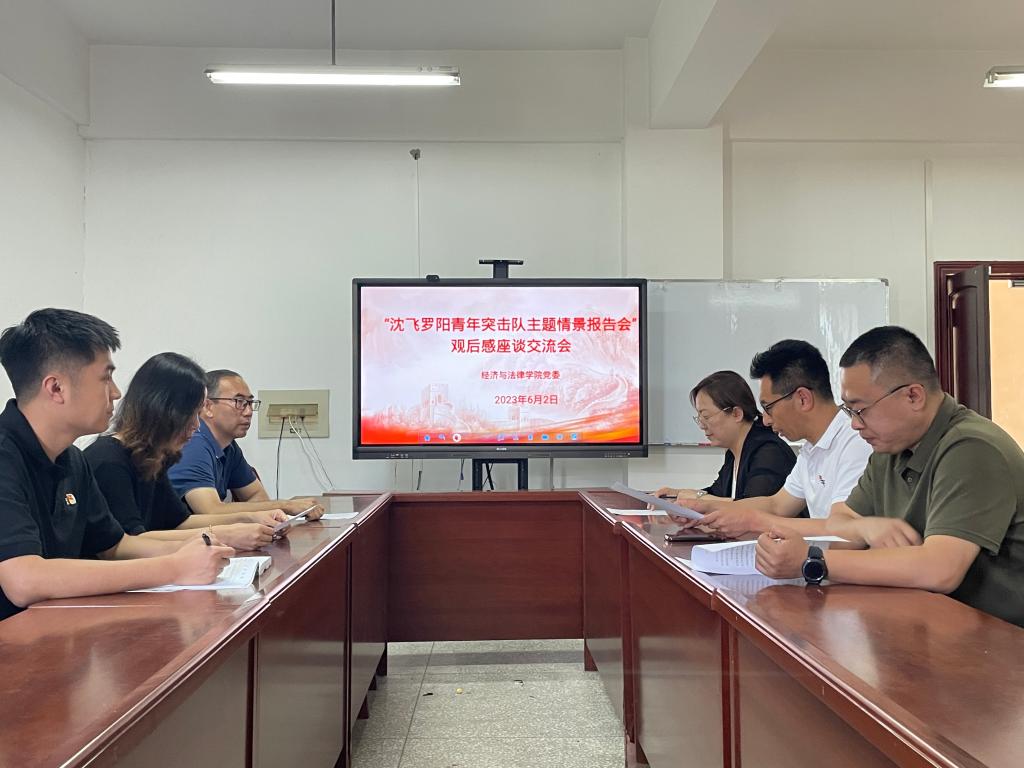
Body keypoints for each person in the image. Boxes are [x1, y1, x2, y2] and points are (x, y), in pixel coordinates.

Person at [756, 326, 1024, 627]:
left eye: (860, 410)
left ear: (913, 396)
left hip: (999, 637)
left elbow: (940, 569)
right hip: (927, 621)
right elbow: (838, 521)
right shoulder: (889, 448)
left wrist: (812, 560)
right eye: (849, 411)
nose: (855, 425)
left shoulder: (972, 448)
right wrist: (865, 527)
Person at [0, 309, 232, 621]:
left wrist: (201, 546)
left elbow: (115, 546)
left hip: (52, 631)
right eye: (105, 377)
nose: (116, 392)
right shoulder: (5, 456)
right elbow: (24, 580)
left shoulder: (72, 459)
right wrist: (174, 567)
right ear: (56, 388)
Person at [85, 352, 290, 551]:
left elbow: (180, 522)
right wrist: (224, 535)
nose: (196, 425)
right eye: (190, 414)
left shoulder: (153, 457)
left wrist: (249, 518)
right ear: (163, 410)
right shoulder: (109, 460)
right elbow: (130, 541)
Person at [675, 340, 872, 538]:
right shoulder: (810, 449)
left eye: (768, 407)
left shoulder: (855, 441)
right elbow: (777, 504)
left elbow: (845, 533)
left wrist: (754, 521)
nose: (765, 420)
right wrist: (705, 508)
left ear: (803, 399)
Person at [168, 369, 324, 520]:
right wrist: (285, 505)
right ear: (208, 407)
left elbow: (257, 496)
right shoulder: (192, 443)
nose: (248, 411)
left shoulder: (229, 447)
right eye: (239, 402)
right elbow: (210, 511)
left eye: (250, 402)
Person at [653, 370, 795, 502]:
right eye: (699, 418)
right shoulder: (733, 452)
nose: (702, 426)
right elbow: (717, 494)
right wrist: (677, 495)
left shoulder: (769, 451)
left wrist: (697, 498)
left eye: (706, 416)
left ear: (736, 414)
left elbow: (752, 508)